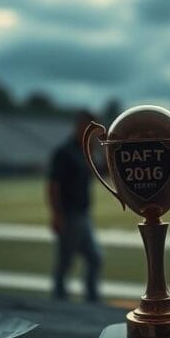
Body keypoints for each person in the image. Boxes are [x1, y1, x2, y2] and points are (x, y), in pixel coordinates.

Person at [47, 110, 103, 301]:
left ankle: (91, 298)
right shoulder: (64, 152)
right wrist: (57, 215)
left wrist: (95, 148)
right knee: (65, 262)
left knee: (94, 257)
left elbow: (101, 173)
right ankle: (59, 300)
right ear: (81, 126)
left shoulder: (84, 152)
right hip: (70, 215)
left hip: (82, 215)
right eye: (91, 128)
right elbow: (53, 185)